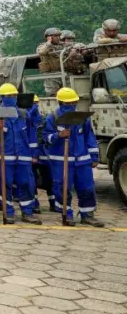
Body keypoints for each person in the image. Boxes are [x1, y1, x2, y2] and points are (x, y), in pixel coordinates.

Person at [43, 88, 105, 227]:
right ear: (60, 103)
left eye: (74, 102)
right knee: (62, 188)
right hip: (61, 161)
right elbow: (45, 137)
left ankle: (87, 215)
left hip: (82, 160)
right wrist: (58, 135)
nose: (71, 105)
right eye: (68, 103)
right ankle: (67, 214)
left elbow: (89, 137)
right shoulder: (52, 117)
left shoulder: (82, 118)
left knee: (87, 188)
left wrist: (94, 157)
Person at [0, 83, 40, 224]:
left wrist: (34, 154)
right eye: (8, 96)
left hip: (23, 157)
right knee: (5, 184)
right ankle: (8, 212)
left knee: (27, 184)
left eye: (14, 95)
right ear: (2, 97)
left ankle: (27, 212)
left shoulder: (23, 115)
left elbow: (32, 135)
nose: (11, 98)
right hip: (5, 158)